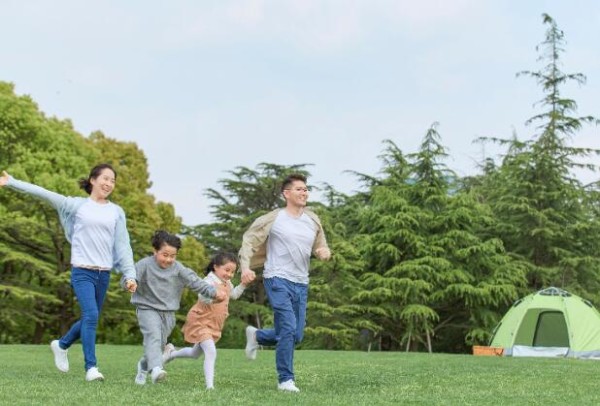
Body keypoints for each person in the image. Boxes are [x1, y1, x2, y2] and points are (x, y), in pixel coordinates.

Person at [0, 164, 138, 382]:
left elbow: (123, 246)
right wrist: (12, 182)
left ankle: (61, 344)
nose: (109, 183)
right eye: (105, 178)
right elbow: (43, 193)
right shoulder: (75, 205)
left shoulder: (116, 212)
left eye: (113, 180)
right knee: (91, 316)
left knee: (89, 318)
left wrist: (130, 275)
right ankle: (91, 368)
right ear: (92, 180)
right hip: (82, 271)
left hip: (104, 274)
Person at [238, 173, 331, 392]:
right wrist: (245, 267)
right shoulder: (274, 218)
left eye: (306, 189)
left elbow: (322, 245)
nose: (304, 192)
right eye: (299, 189)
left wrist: (323, 252)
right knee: (288, 328)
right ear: (286, 194)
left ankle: (258, 335)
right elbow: (249, 241)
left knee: (296, 335)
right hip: (277, 278)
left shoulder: (313, 220)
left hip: (301, 282)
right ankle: (285, 380)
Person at [128, 230, 227, 385]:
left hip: (168, 312)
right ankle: (156, 369)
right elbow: (129, 276)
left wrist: (213, 292)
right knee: (153, 337)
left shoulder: (178, 269)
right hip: (146, 307)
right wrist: (130, 282)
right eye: (164, 254)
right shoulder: (144, 265)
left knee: (159, 345)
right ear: (155, 251)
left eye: (173, 256)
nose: (168, 259)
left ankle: (143, 366)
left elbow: (196, 282)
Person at [162, 251, 246, 390]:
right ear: (215, 267)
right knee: (211, 351)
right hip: (200, 320)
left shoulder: (227, 283)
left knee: (194, 354)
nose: (230, 274)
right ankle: (210, 387)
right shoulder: (208, 281)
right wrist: (214, 297)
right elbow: (203, 298)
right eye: (227, 270)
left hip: (214, 324)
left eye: (232, 272)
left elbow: (234, 295)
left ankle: (172, 353)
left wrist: (243, 284)